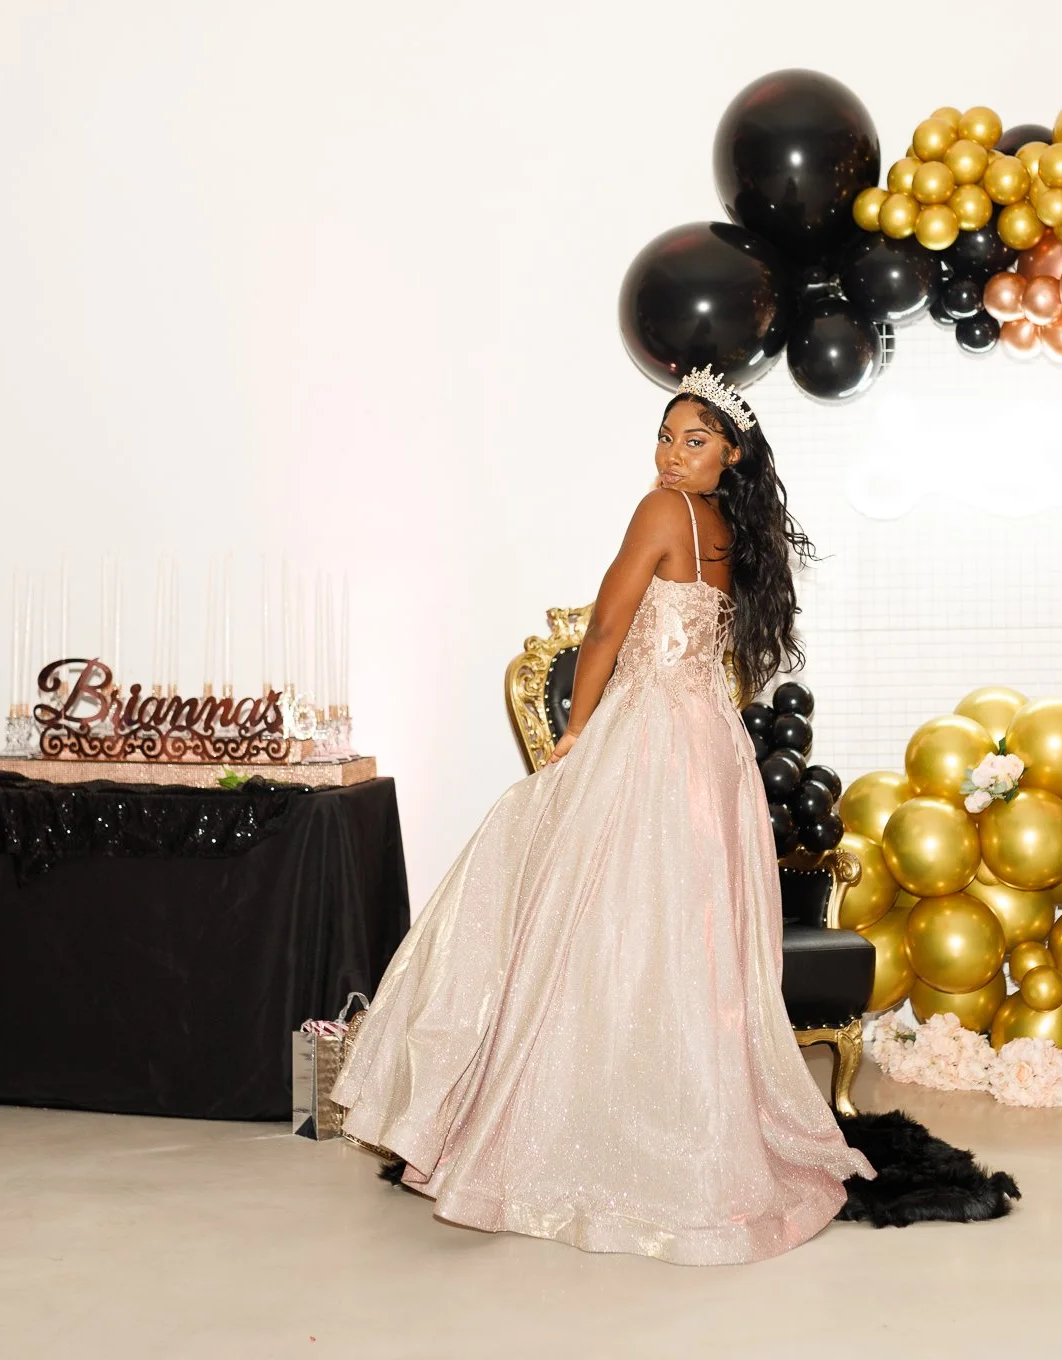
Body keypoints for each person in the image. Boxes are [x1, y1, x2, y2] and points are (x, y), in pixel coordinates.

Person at [332, 365, 871, 1265]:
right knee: (685, 934)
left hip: (652, 735)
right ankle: (678, 1108)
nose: (670, 456)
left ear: (731, 452)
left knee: (592, 918)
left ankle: (574, 1115)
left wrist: (576, 729)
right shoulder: (736, 530)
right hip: (714, 748)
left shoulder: (662, 514)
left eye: (693, 440)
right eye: (664, 439)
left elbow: (609, 630)